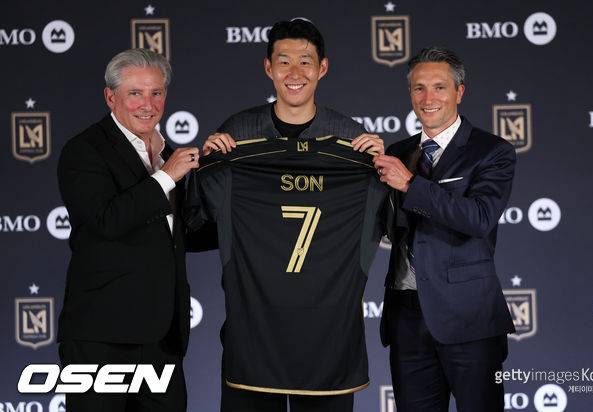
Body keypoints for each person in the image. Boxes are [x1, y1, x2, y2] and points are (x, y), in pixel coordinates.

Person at [200, 19, 384, 412]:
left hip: (328, 334)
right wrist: (209, 164)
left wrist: (380, 168)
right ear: (268, 68)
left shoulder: (352, 139)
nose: (295, 72)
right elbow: (200, 224)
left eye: (305, 61)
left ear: (323, 68)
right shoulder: (237, 133)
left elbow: (386, 225)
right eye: (284, 62)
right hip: (254, 329)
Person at [373, 47, 516, 411]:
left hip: (468, 318)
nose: (428, 98)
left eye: (439, 87)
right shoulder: (398, 152)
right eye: (419, 88)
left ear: (459, 92)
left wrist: (411, 185)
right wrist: (361, 167)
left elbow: (479, 218)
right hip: (406, 317)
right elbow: (383, 227)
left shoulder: (492, 151)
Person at [57, 48, 200, 411]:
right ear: (111, 97)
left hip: (162, 337)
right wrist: (166, 177)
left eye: (156, 93)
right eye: (135, 93)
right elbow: (107, 220)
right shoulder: (84, 151)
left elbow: (179, 235)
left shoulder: (167, 153)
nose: (147, 104)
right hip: (102, 336)